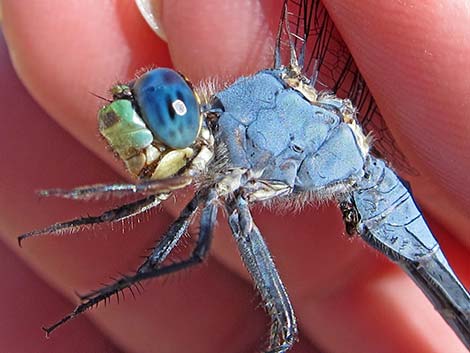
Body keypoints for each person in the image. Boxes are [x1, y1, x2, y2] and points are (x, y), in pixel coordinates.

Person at [0, 1, 469, 352]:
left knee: (282, 329)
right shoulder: (223, 149)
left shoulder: (226, 156)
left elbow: (192, 251)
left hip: (380, 192)